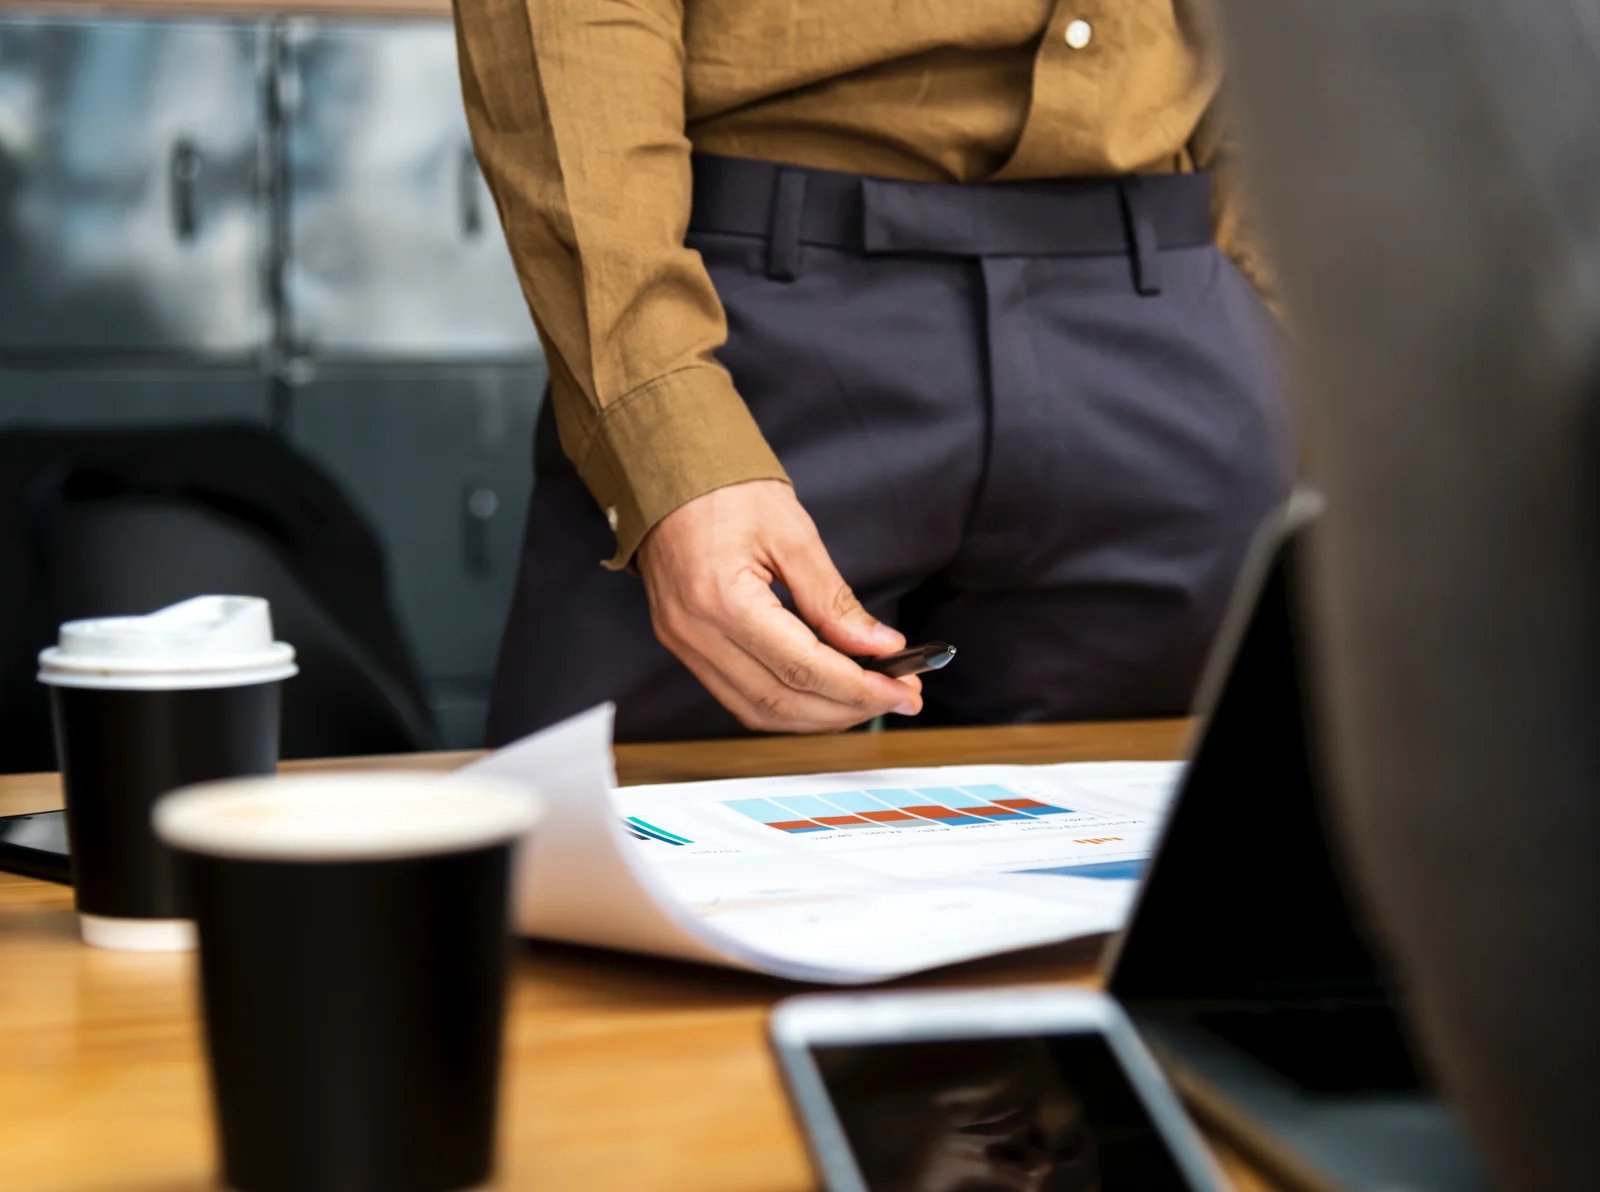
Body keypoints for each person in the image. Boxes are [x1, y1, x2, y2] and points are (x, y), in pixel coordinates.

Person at [452, 1, 1294, 745]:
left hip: (1163, 309)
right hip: (742, 325)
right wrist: (665, 432)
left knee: (1134, 894)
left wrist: (1271, 318)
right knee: (604, 882)